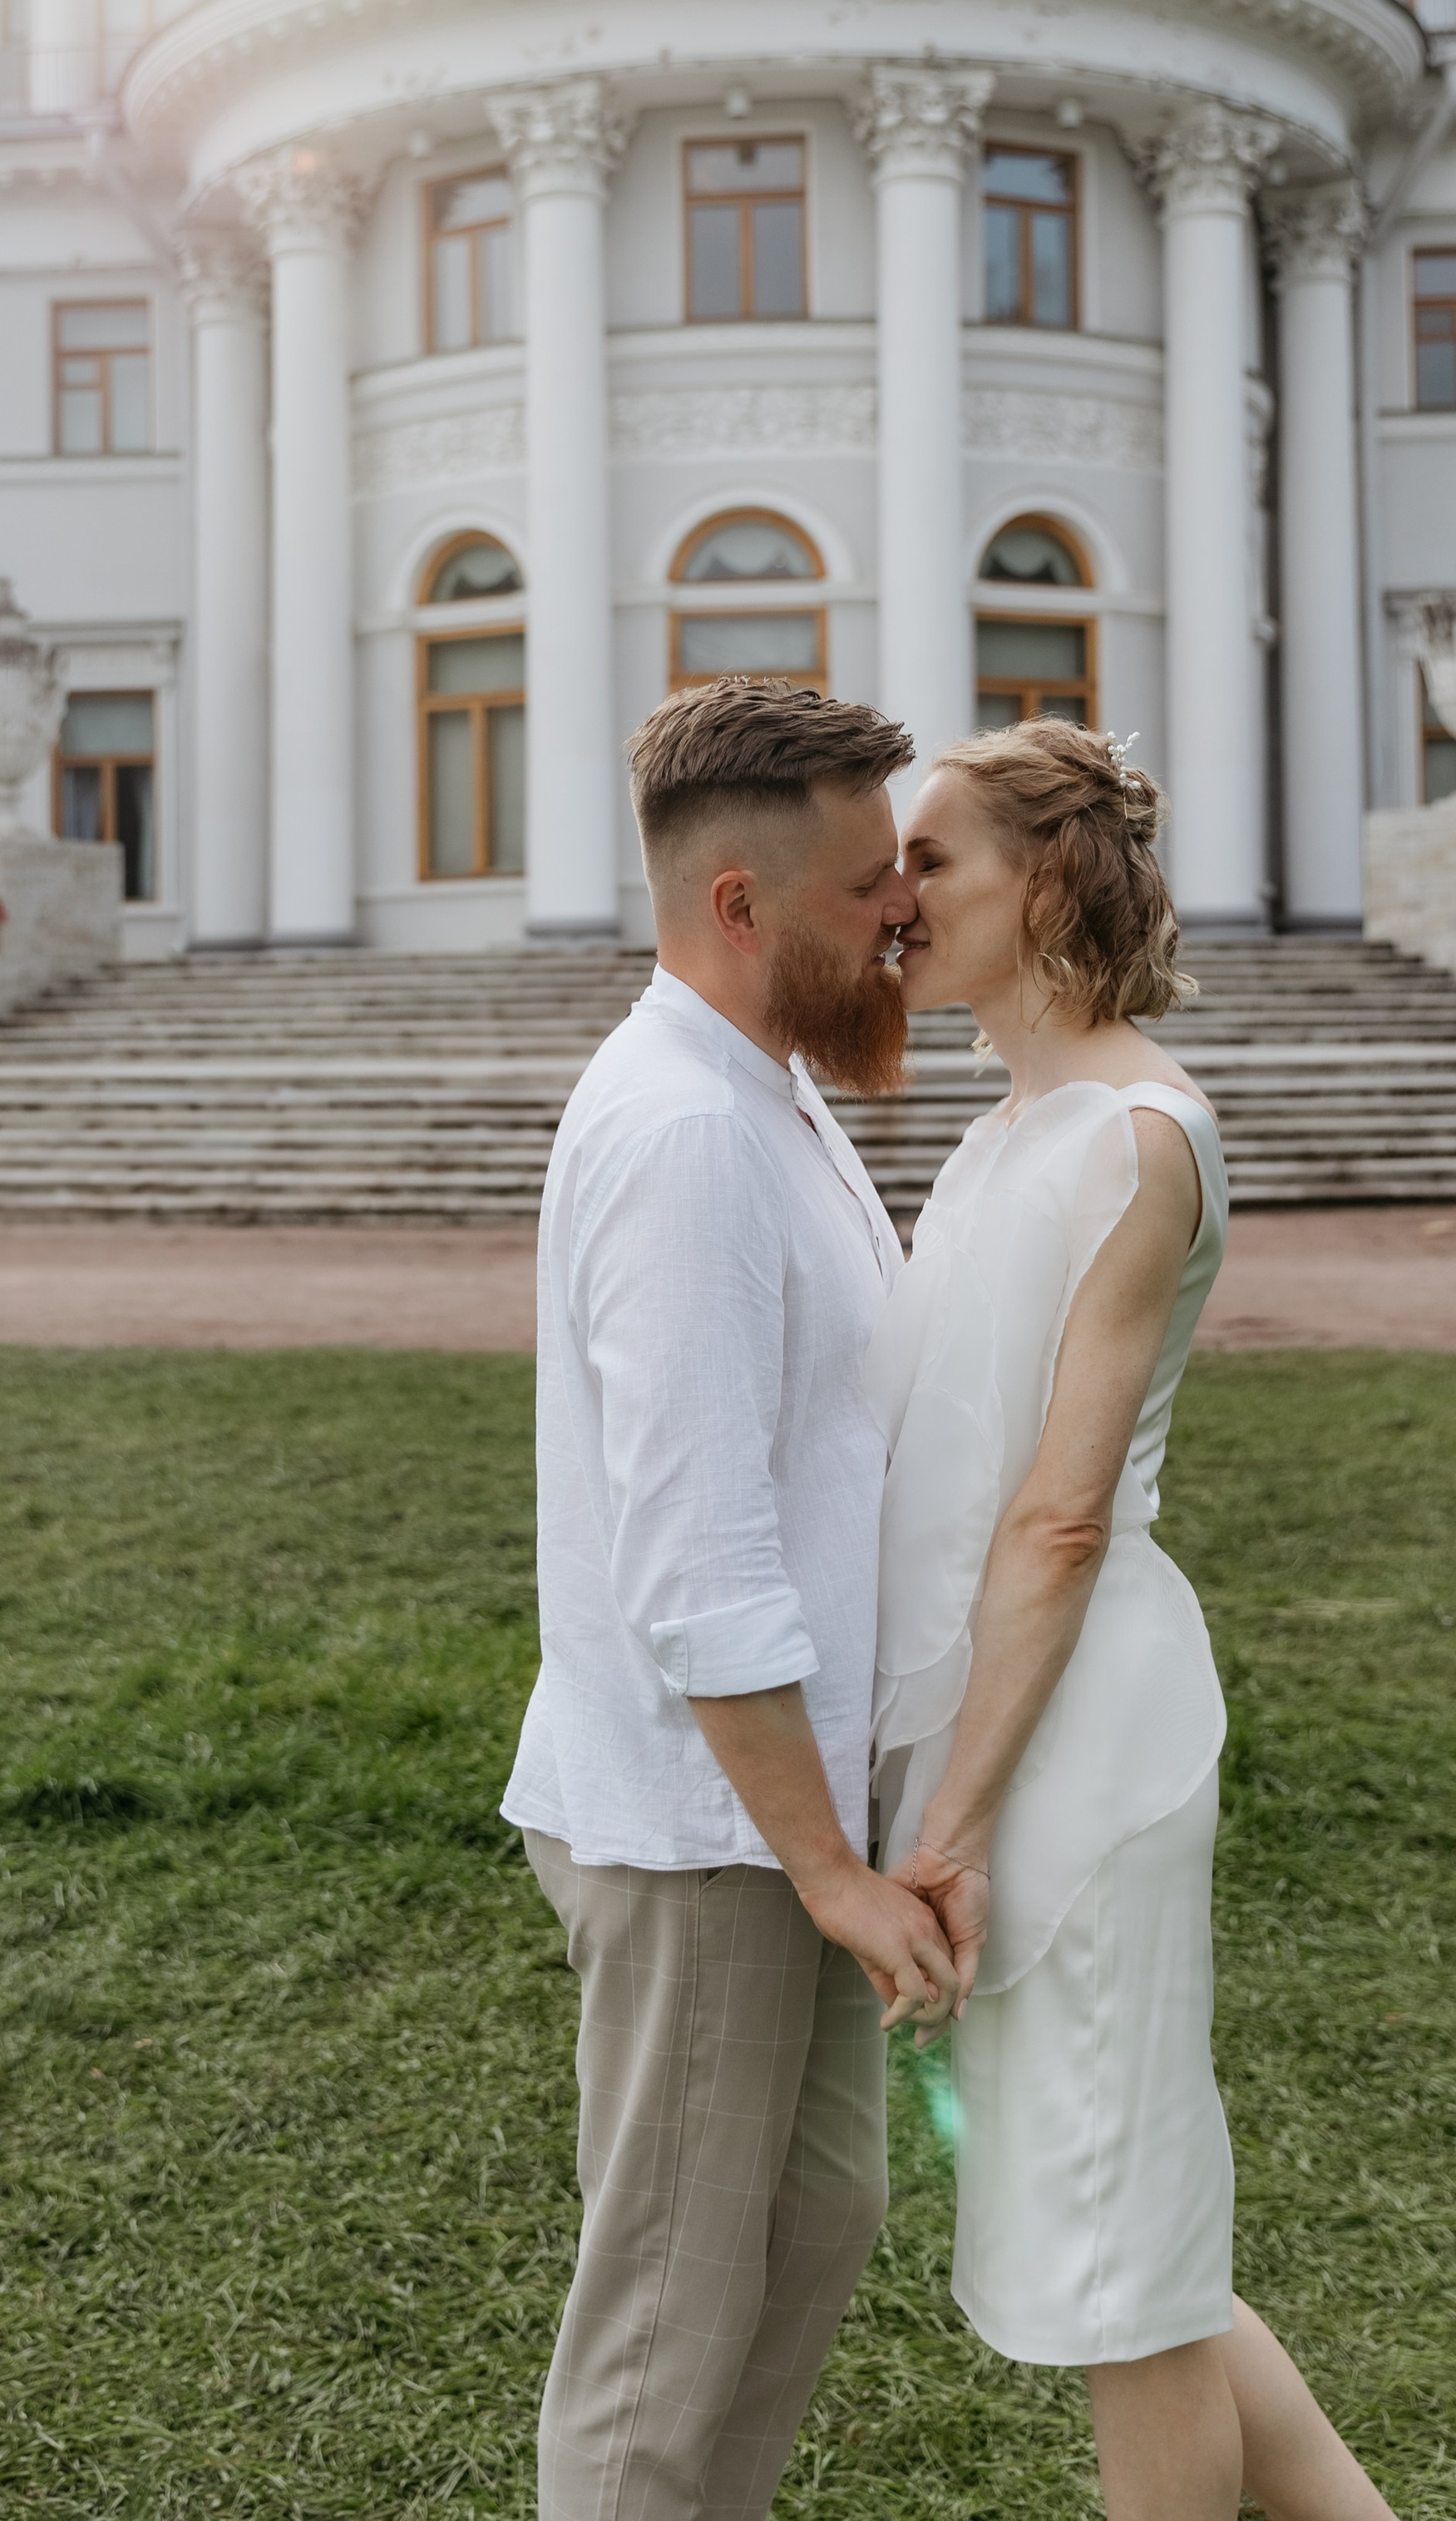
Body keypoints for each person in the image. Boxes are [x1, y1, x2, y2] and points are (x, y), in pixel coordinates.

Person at [874, 719, 1399, 2521]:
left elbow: (1060, 1518)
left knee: (1133, 2282)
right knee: (1128, 2237)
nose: (892, 893)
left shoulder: (1136, 1137)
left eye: (930, 857)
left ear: (1048, 883)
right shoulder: (999, 1131)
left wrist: (949, 1828)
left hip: (1077, 1745)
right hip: (993, 1729)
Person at [501, 677, 958, 2521]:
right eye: (870, 886)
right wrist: (829, 1868)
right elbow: (696, 1561)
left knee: (808, 2222)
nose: (907, 912)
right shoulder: (682, 1133)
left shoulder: (770, 1093)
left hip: (788, 1814)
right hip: (711, 1834)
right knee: (664, 2341)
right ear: (739, 905)